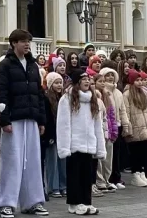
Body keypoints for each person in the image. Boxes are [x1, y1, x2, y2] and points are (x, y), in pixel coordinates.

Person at [0, 29, 48, 218]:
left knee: (32, 162)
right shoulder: (5, 65)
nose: (27, 44)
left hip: (31, 118)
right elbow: (1, 94)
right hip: (14, 120)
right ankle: (5, 203)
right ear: (14, 43)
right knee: (12, 162)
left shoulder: (32, 65)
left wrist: (41, 119)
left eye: (28, 41)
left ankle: (32, 201)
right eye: (23, 41)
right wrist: (4, 120)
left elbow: (39, 94)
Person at [56, 71, 105, 216]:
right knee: (74, 174)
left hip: (89, 143)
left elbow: (97, 124)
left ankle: (86, 202)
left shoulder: (92, 99)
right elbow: (63, 124)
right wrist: (65, 146)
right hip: (74, 144)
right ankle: (74, 203)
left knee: (87, 175)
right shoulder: (67, 99)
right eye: (83, 79)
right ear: (77, 82)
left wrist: (99, 146)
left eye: (88, 79)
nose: (87, 81)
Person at [122, 71, 147, 188]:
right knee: (135, 153)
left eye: (141, 80)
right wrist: (128, 128)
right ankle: (136, 174)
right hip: (135, 128)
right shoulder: (127, 95)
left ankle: (142, 174)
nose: (140, 83)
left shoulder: (143, 94)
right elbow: (126, 112)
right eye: (137, 80)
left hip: (145, 128)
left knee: (144, 153)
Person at [94, 77, 118, 195]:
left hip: (108, 131)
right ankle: (100, 181)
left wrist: (113, 130)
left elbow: (111, 115)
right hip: (100, 131)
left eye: (104, 81)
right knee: (99, 158)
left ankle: (106, 178)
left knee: (108, 158)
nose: (103, 83)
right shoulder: (94, 97)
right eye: (100, 81)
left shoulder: (107, 96)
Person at [42, 72, 65, 199]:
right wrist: (49, 135)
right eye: (56, 82)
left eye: (60, 82)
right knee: (52, 162)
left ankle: (63, 185)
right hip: (52, 134)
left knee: (63, 161)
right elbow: (47, 119)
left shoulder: (63, 98)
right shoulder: (47, 99)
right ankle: (53, 186)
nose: (59, 85)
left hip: (62, 134)